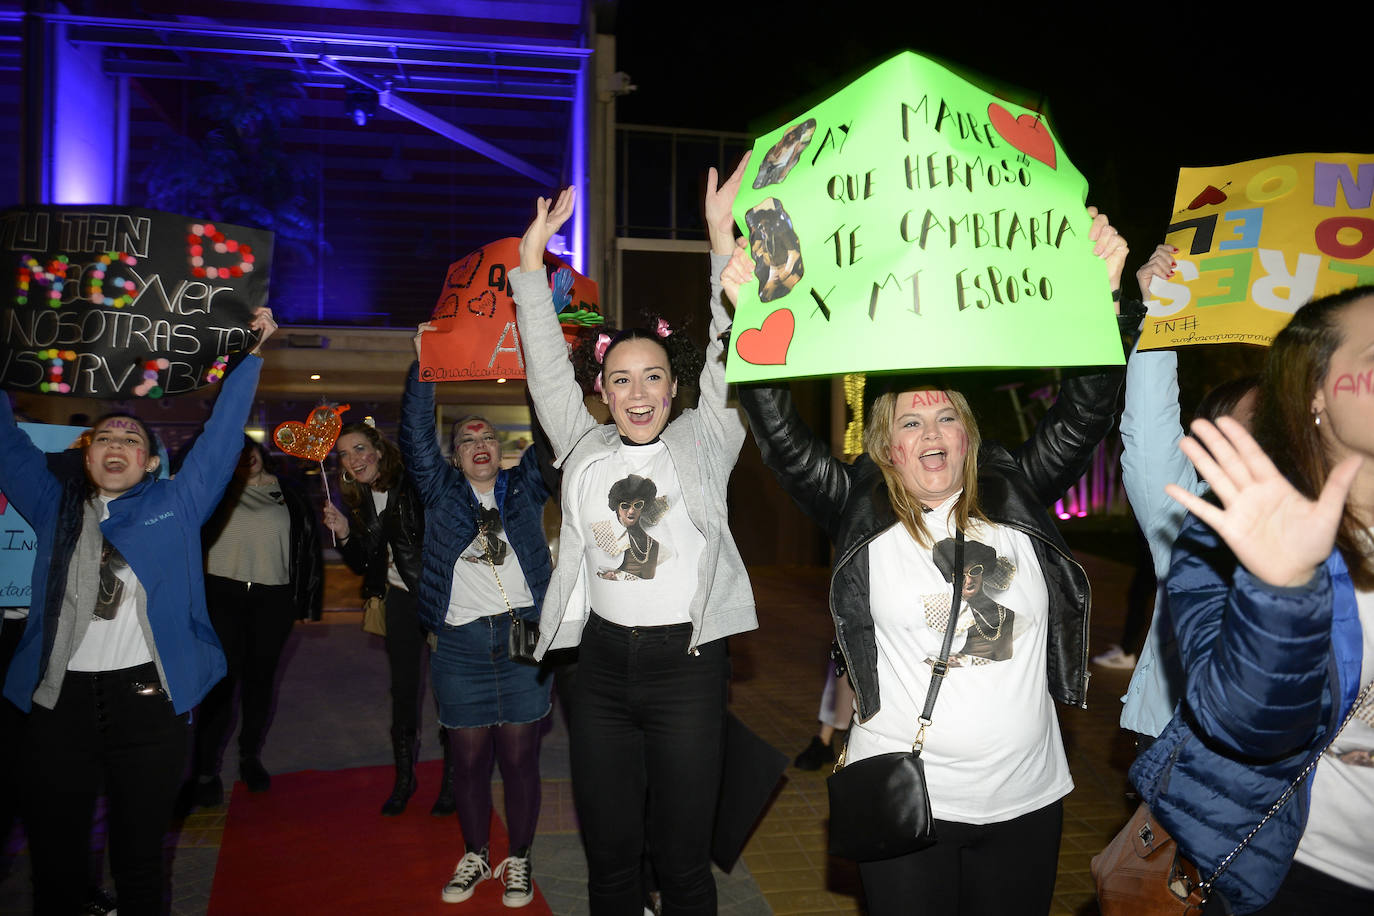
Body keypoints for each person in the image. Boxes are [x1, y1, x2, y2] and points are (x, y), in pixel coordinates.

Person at [734, 209, 1131, 915]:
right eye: (910, 423)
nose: (931, 434)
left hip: (1027, 801)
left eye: (946, 416)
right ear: (887, 447)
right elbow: (783, 440)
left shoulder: (1017, 492)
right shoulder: (858, 508)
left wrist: (1099, 305)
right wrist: (752, 319)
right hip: (906, 797)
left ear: (969, 434)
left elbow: (1084, 412)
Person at [507, 164, 757, 913]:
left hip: (688, 668)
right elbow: (547, 370)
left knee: (682, 864)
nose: (638, 392)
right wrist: (529, 267)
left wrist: (721, 245)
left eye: (652, 378)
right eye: (621, 379)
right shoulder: (582, 449)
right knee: (611, 861)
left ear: (672, 389)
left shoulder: (704, 441)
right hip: (602, 671)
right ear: (604, 391)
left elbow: (727, 353)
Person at [0, 309, 277, 915]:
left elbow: (222, 437)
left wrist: (249, 357)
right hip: (57, 706)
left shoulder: (176, 507)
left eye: (132, 439)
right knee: (56, 859)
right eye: (105, 438)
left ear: (151, 462)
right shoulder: (54, 506)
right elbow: (6, 446)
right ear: (87, 454)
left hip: (147, 707)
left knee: (138, 858)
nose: (117, 444)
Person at [1132, 285, 1374, 914]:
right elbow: (1251, 724)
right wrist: (1281, 588)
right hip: (1291, 869)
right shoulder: (1220, 529)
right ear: (1314, 394)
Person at [397, 364, 554, 906]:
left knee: (518, 758)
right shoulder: (441, 494)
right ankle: (476, 852)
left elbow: (555, 434)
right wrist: (423, 366)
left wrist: (539, 367)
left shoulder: (526, 487)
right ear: (455, 457)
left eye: (488, 436)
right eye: (467, 439)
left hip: (522, 642)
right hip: (459, 646)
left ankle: (520, 858)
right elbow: (415, 436)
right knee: (466, 759)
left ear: (502, 449)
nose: (479, 443)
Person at [1116, 243, 1259, 745]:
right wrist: (1159, 313)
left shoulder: (1333, 518)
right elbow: (1150, 423)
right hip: (1177, 744)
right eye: (1254, 422)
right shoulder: (1186, 514)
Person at [189, 435, 322, 805]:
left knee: (259, 683)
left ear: (261, 453)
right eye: (237, 451)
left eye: (251, 450)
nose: (247, 456)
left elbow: (307, 547)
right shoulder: (214, 490)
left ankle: (250, 756)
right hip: (221, 595)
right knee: (219, 685)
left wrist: (309, 602)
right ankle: (204, 770)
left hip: (273, 598)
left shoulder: (290, 491)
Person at [323, 422, 436, 816]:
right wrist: (343, 535)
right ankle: (405, 779)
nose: (353, 460)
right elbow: (363, 565)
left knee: (449, 691)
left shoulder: (414, 484)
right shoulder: (360, 499)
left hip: (439, 600)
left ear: (378, 449)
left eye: (359, 449)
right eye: (345, 454)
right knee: (403, 692)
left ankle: (454, 781)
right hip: (398, 602)